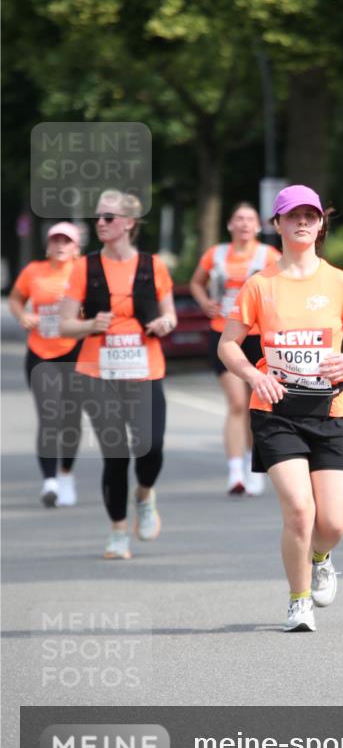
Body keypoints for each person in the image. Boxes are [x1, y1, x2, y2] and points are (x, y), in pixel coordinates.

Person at [219, 185, 343, 632]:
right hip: (276, 411)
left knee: (334, 523)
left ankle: (321, 557)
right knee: (300, 511)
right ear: (278, 225)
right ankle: (298, 600)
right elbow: (228, 344)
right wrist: (254, 375)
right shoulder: (259, 285)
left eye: (311, 215)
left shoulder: (339, 281)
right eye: (293, 216)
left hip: (331, 411)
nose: (303, 222)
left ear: (321, 223)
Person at [59, 190, 177, 560]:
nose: (101, 223)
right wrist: (90, 323)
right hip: (99, 372)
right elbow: (63, 326)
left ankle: (143, 494)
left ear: (129, 223)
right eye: (98, 218)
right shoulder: (84, 267)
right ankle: (117, 533)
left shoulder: (152, 265)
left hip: (146, 370)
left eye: (108, 217)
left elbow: (170, 315)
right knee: (115, 456)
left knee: (151, 446)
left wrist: (163, 322)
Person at [190, 201, 280, 496]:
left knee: (256, 407)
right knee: (237, 404)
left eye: (249, 219)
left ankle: (255, 466)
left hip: (259, 338)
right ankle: (235, 471)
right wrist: (205, 302)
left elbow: (285, 288)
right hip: (225, 335)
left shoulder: (270, 255)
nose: (244, 224)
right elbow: (196, 283)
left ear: (258, 226)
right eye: (238, 218)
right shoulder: (215, 254)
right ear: (230, 224)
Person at [9, 222, 83, 507]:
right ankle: (49, 481)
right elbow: (16, 299)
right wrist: (22, 316)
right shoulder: (33, 271)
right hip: (41, 352)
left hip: (75, 350)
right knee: (50, 415)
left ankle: (66, 475)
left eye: (67, 241)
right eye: (56, 240)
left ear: (76, 247)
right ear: (47, 245)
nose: (60, 245)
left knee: (71, 419)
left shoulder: (83, 272)